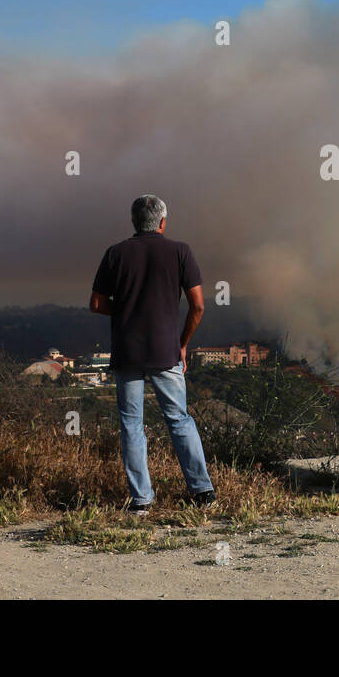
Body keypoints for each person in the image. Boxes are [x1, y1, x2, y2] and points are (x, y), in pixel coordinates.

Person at [90, 195, 215, 512]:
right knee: (179, 420)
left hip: (128, 350)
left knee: (132, 425)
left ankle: (141, 500)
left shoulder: (115, 253)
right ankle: (202, 492)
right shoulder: (180, 252)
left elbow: (97, 304)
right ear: (163, 222)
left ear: (134, 222)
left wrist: (128, 310)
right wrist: (182, 343)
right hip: (165, 350)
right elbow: (198, 305)